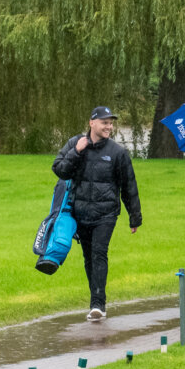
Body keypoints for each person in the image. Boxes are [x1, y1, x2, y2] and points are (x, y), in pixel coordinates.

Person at [51, 106, 142, 320]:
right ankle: (95, 298)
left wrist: (134, 216)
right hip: (80, 212)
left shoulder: (117, 153)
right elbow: (59, 170)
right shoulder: (75, 144)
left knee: (99, 253)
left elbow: (129, 185)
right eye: (104, 122)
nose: (109, 126)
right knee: (88, 257)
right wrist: (76, 152)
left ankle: (98, 304)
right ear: (92, 123)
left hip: (106, 214)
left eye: (111, 123)